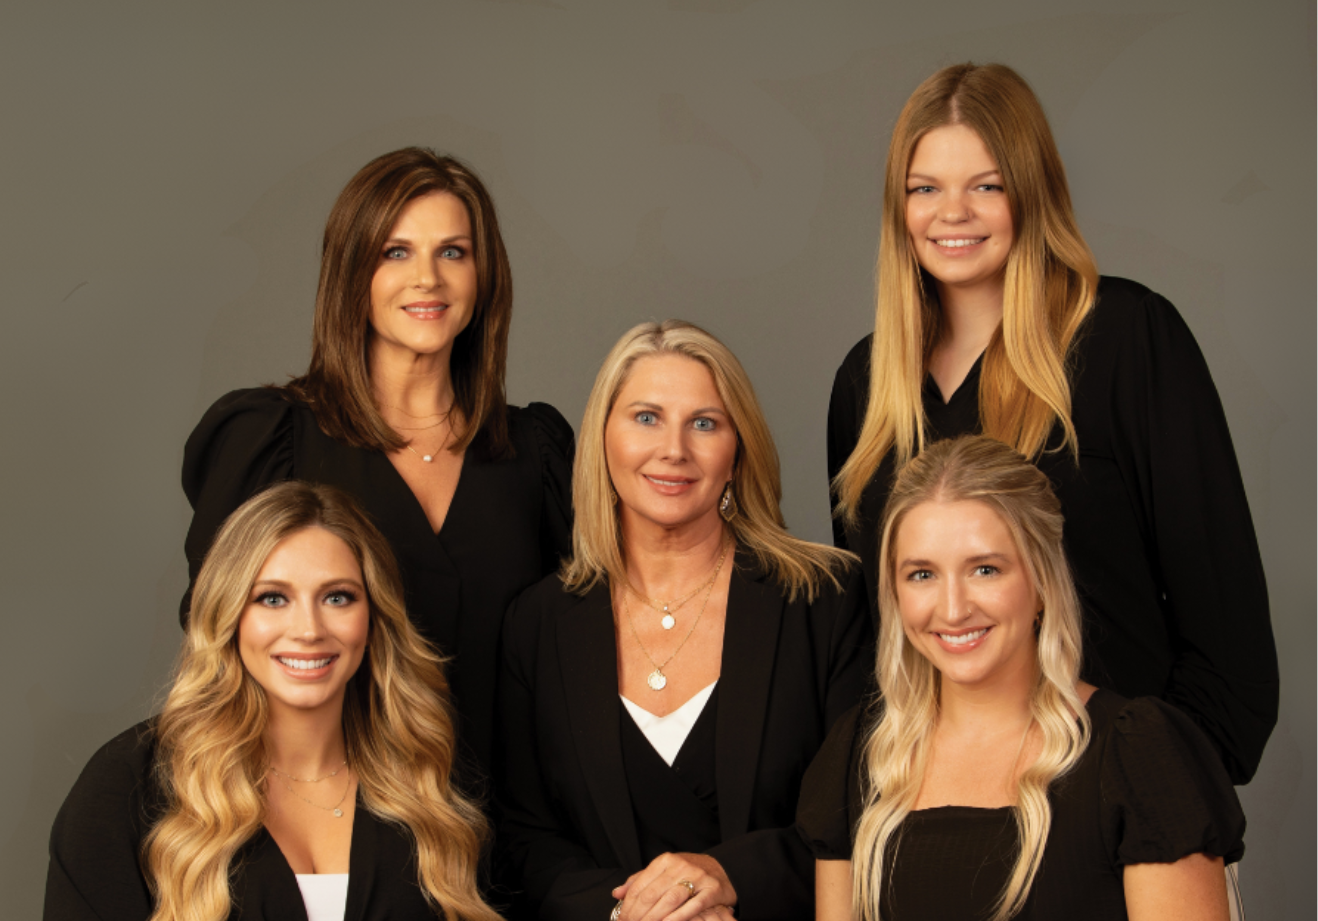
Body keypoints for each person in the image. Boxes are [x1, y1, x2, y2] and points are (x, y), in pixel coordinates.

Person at [827, 62, 1276, 784]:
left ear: (1032, 192)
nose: (953, 213)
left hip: (1125, 810)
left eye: (986, 185)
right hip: (942, 817)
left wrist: (1146, 796)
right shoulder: (866, 386)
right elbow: (874, 655)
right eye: (925, 189)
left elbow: (1233, 655)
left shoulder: (1127, 339)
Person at [182, 148, 573, 781]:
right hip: (330, 822)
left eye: (453, 252)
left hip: (515, 831)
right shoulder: (270, 440)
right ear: (352, 272)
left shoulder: (536, 453)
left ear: (484, 275)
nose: (428, 279)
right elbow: (219, 645)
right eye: (396, 252)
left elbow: (578, 656)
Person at [496, 320, 872, 921]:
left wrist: (727, 876)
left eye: (705, 423)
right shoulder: (538, 623)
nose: (674, 448)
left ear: (737, 449)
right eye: (646, 417)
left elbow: (865, 813)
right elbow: (522, 838)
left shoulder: (824, 601)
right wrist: (632, 914)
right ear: (603, 439)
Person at [799, 435, 1246, 921]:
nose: (953, 609)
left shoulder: (1138, 754)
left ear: (1041, 584)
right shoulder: (859, 757)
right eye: (922, 574)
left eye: (985, 569)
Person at [45, 481, 502, 921]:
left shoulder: (423, 772)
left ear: (374, 616)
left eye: (338, 597)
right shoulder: (128, 787)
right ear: (228, 615)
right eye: (273, 598)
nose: (308, 629)